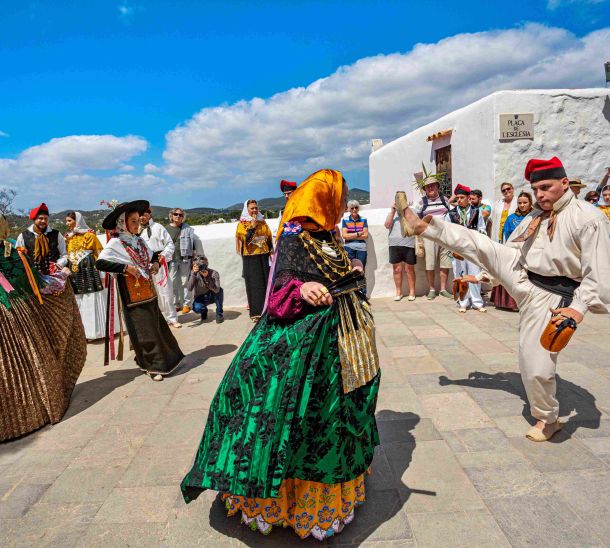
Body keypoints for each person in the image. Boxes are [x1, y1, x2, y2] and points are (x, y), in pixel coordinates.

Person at [181, 169, 380, 541]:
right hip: (302, 344)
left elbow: (338, 270)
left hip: (340, 339)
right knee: (297, 416)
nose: (340, 203)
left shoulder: (329, 235)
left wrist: (351, 271)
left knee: (335, 416)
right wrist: (304, 289)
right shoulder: (293, 237)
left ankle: (328, 501)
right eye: (337, 196)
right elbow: (278, 296)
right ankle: (285, 505)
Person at [400, 156, 610, 442]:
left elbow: (598, 273)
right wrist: (483, 278)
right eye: (536, 189)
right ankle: (425, 227)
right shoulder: (535, 216)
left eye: (546, 188)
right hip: (523, 275)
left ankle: (549, 419)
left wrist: (577, 310)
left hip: (553, 296)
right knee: (482, 244)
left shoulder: (589, 218)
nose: (540, 195)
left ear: (564, 183)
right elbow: (507, 251)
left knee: (535, 366)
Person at [1, 214, 86, 441]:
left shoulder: (13, 251)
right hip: (13, 310)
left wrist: (58, 277)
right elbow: (33, 282)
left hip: (15, 309)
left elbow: (32, 280)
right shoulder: (15, 248)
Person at [96, 201, 184, 382]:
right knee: (144, 332)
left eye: (138, 221)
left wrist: (156, 263)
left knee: (155, 327)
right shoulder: (116, 243)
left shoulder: (138, 240)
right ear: (123, 223)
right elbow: (101, 262)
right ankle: (153, 366)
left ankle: (166, 359)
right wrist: (125, 268)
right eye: (134, 221)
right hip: (132, 295)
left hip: (148, 291)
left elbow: (152, 255)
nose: (138, 224)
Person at [64, 211, 107, 340]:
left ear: (77, 221)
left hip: (89, 269)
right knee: (79, 299)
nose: (67, 224)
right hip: (75, 272)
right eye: (66, 221)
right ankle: (82, 333)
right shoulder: (68, 238)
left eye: (70, 221)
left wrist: (103, 273)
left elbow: (100, 254)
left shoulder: (90, 235)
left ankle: (96, 332)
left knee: (91, 296)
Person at [446, 184, 487, 313]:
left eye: (462, 197)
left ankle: (477, 302)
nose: (459, 200)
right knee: (460, 274)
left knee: (474, 274)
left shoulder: (477, 212)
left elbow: (482, 227)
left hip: (473, 249)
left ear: (468, 198)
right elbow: (447, 231)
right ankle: (463, 301)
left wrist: (481, 233)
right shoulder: (451, 214)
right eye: (457, 197)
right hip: (458, 250)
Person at [491, 192, 534, 312]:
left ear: (530, 203)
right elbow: (506, 236)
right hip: (514, 250)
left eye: (525, 202)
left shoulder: (535, 216)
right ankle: (512, 303)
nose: (522, 205)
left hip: (531, 251)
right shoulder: (511, 218)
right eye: (520, 203)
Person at [139, 208, 181, 329]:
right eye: (140, 215)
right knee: (151, 294)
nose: (142, 217)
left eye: (144, 214)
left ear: (149, 214)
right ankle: (156, 320)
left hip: (160, 262)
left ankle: (172, 318)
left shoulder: (158, 227)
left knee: (166, 292)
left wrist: (163, 256)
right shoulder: (135, 230)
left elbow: (169, 244)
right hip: (144, 265)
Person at [413, 176, 452, 299]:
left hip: (444, 235)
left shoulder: (444, 199)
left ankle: (443, 289)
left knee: (446, 263)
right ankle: (431, 289)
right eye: (428, 186)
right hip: (429, 236)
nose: (430, 188)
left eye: (433, 185)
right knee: (430, 263)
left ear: (437, 187)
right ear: (425, 189)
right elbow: (417, 221)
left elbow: (450, 214)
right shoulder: (421, 203)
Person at [235, 199, 273, 322]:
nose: (255, 210)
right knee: (254, 285)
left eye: (256, 208)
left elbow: (268, 237)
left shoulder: (263, 222)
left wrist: (271, 252)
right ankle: (256, 313)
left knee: (266, 282)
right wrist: (252, 226)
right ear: (247, 210)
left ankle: (267, 309)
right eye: (252, 208)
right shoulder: (242, 224)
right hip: (251, 257)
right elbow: (245, 238)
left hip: (264, 256)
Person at [16, 203, 69, 276]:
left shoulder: (57, 234)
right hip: (33, 276)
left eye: (46, 219)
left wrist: (58, 265)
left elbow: (64, 254)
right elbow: (19, 257)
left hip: (54, 275)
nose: (43, 221)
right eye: (40, 218)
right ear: (34, 219)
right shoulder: (23, 236)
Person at [167, 208, 202, 314]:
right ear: (171, 216)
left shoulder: (187, 229)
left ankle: (187, 304)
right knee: (172, 283)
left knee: (185, 282)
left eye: (180, 215)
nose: (178, 216)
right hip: (172, 260)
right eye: (175, 214)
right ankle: (176, 304)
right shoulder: (166, 229)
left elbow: (193, 245)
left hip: (185, 259)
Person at [385, 202, 416, 301]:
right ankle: (399, 292)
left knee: (409, 270)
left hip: (409, 244)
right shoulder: (392, 215)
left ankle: (412, 292)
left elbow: (414, 223)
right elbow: (387, 225)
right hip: (394, 245)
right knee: (397, 270)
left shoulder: (411, 212)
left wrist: (406, 208)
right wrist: (393, 211)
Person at [187, 256, 224, 324]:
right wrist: (193, 274)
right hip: (201, 297)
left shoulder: (214, 273)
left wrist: (207, 278)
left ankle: (219, 314)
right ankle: (204, 311)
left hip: (212, 295)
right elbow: (189, 288)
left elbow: (217, 290)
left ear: (206, 264)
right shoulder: (194, 273)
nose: (201, 268)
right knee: (196, 308)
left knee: (220, 291)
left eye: (202, 265)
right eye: (199, 266)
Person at [341, 200, 369, 267]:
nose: (354, 210)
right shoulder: (345, 220)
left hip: (361, 248)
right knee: (350, 268)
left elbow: (365, 235)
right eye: (352, 208)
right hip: (349, 247)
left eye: (356, 208)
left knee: (361, 268)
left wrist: (350, 236)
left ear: (358, 209)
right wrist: (358, 234)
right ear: (349, 209)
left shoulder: (364, 219)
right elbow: (344, 236)